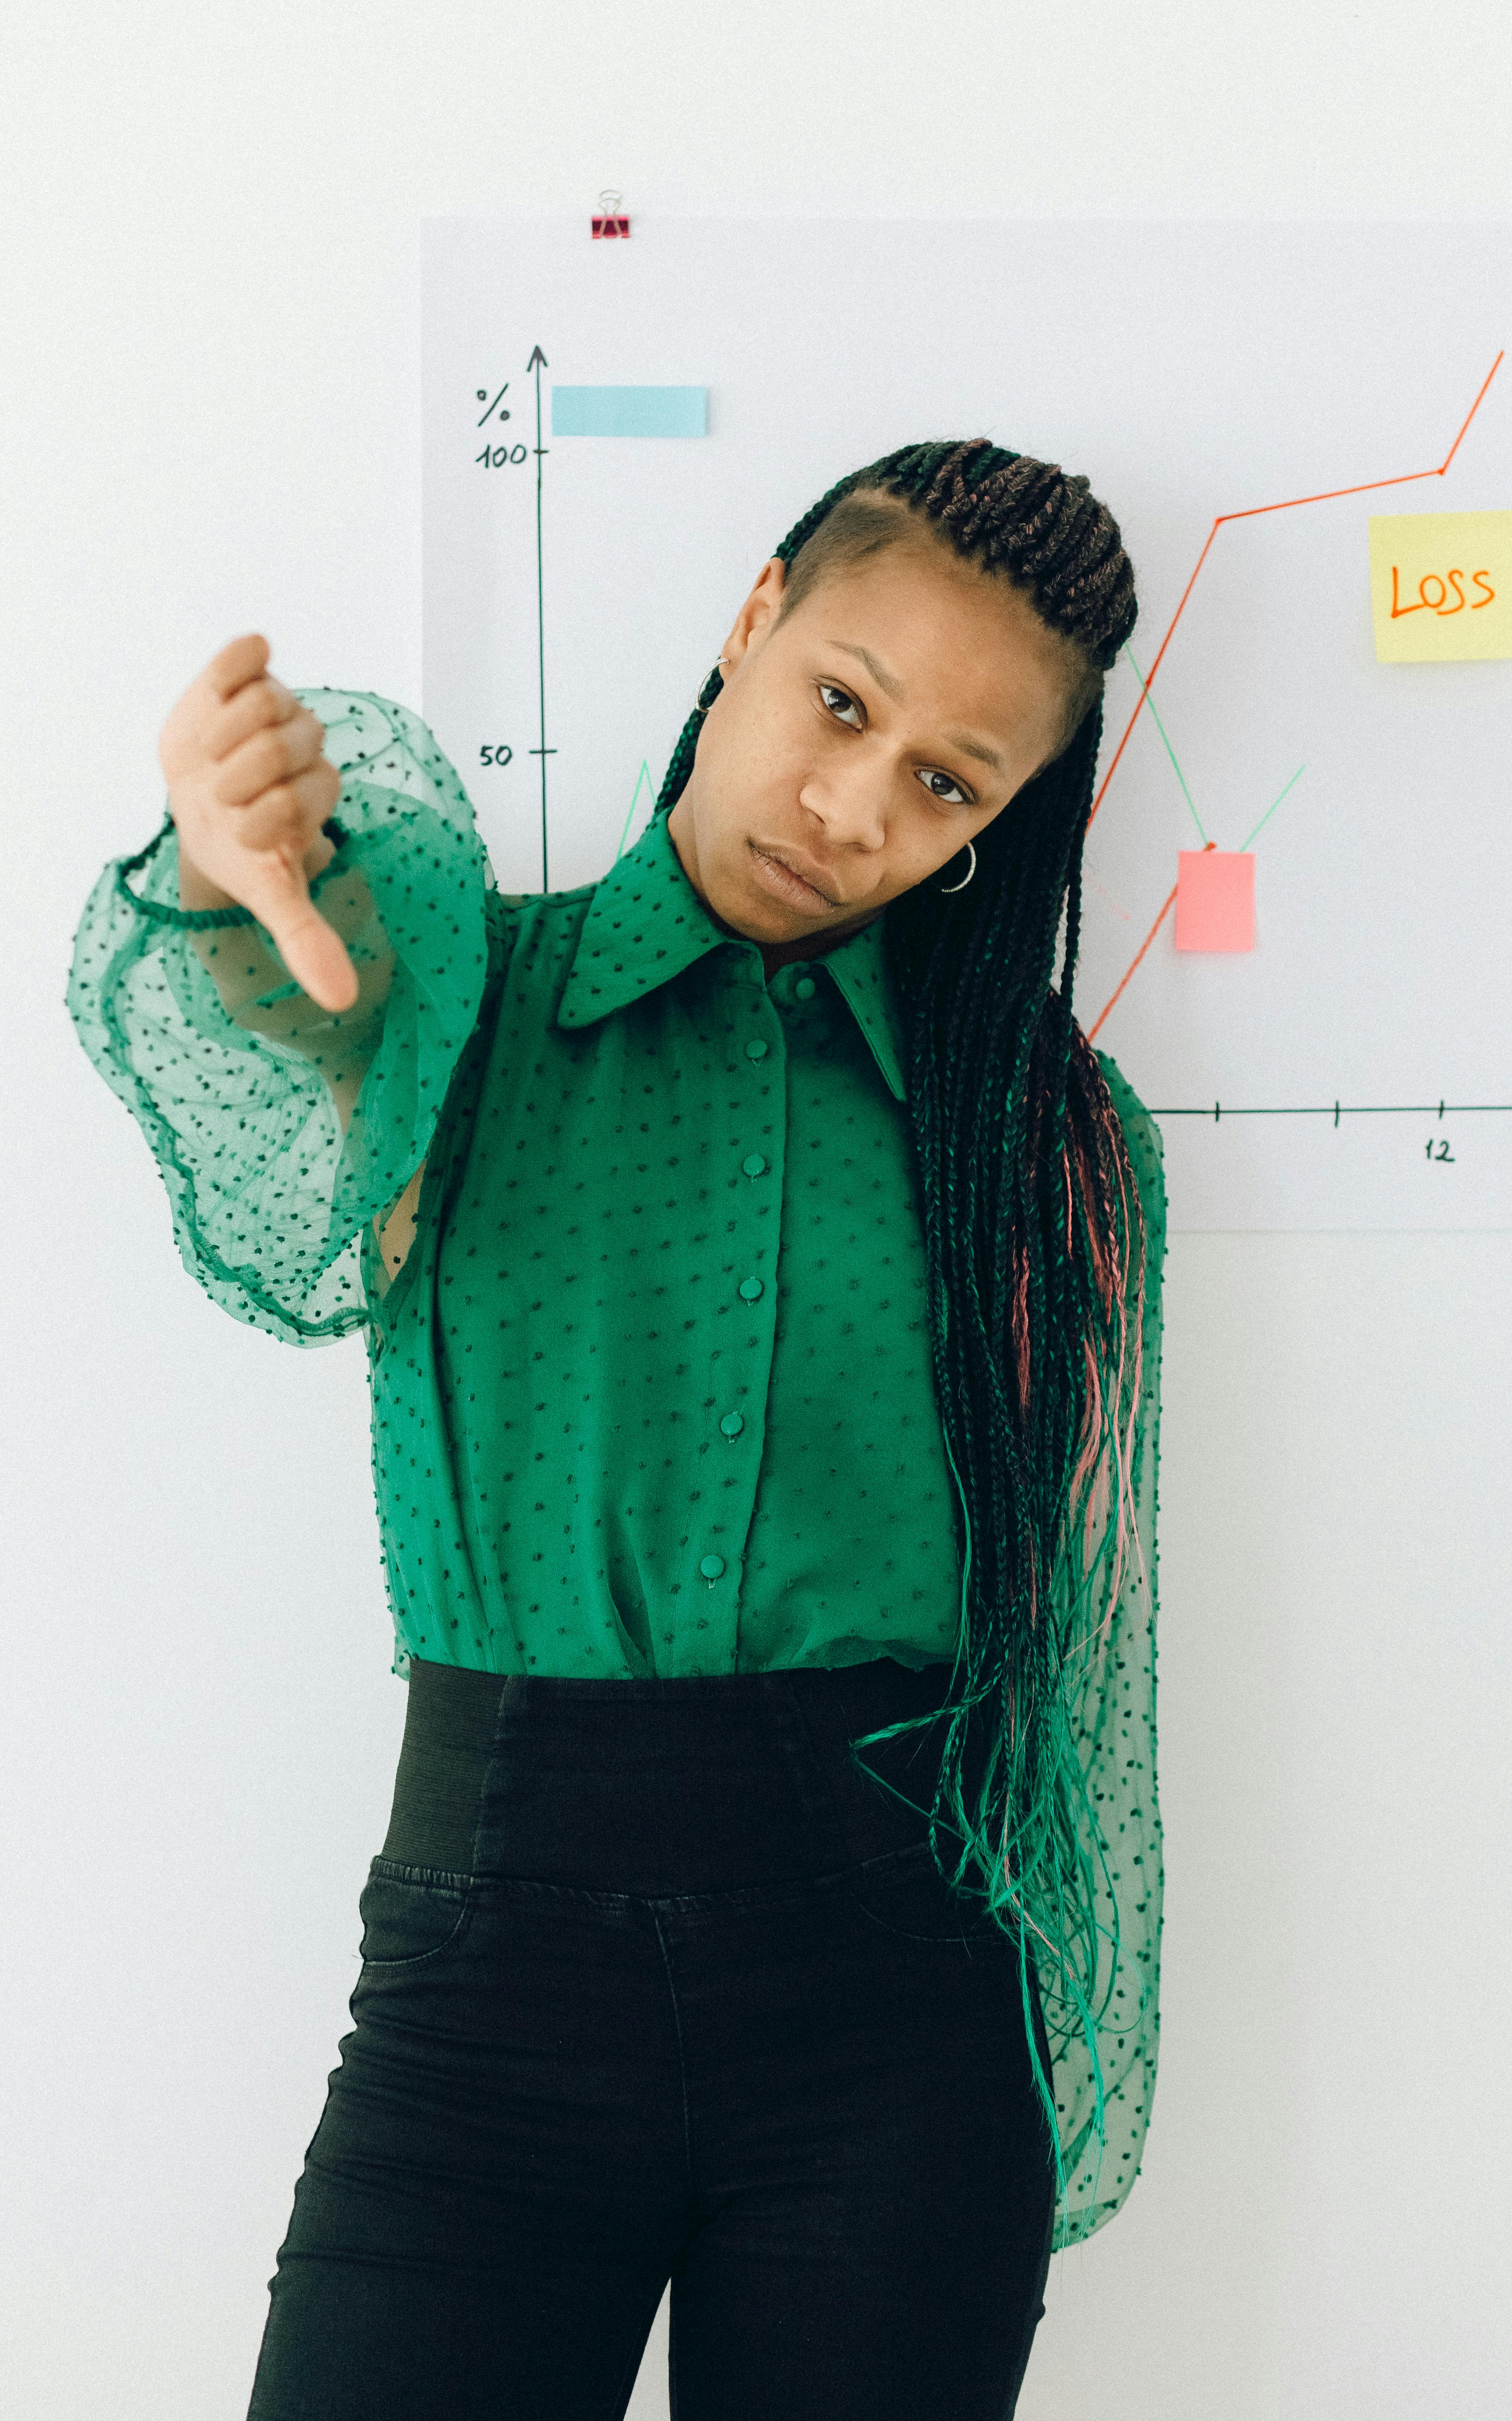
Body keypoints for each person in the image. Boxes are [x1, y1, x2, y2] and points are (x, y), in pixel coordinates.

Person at [66, 436, 1167, 2421]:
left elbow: (1066, 1650)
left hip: (896, 2015)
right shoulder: (471, 993)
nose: (853, 809)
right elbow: (312, 983)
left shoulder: (1036, 1137)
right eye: (842, 704)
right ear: (752, 623)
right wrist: (231, 873)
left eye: (947, 782)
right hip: (488, 2000)